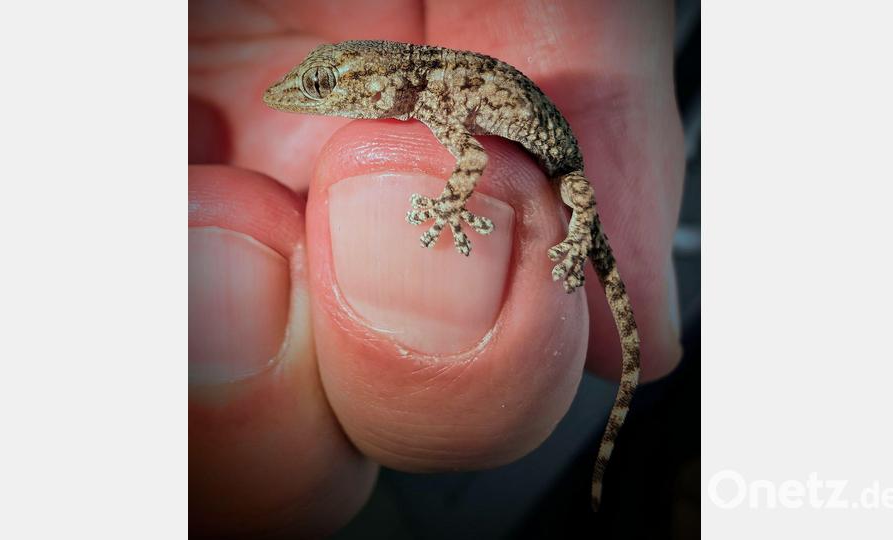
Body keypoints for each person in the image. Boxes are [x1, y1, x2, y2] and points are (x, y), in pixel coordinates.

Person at [189, 0, 684, 536]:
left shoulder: (439, 100)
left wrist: (451, 208)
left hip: (562, 167)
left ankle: (609, 445)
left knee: (581, 208)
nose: (305, 97)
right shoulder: (428, 92)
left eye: (324, 84)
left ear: (378, 84)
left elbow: (472, 160)